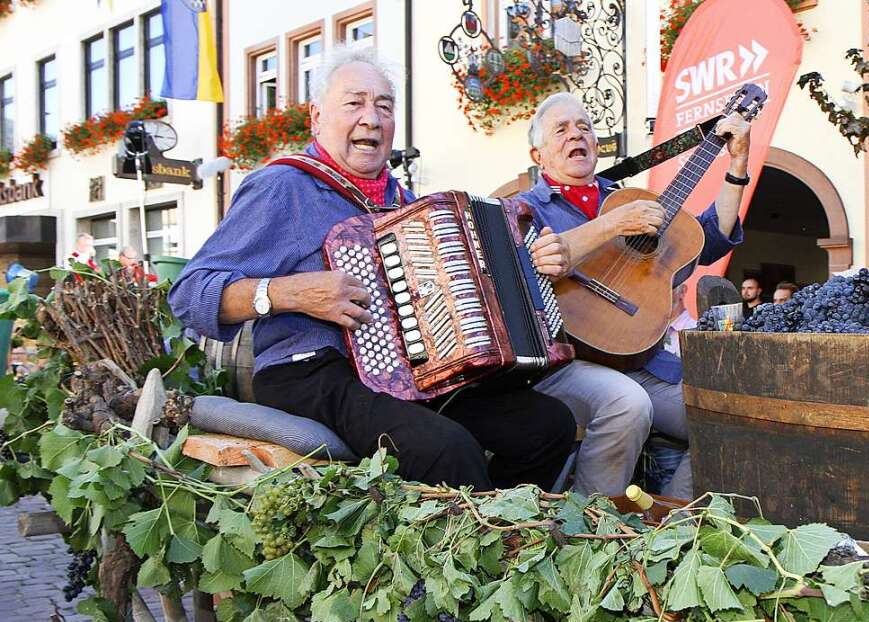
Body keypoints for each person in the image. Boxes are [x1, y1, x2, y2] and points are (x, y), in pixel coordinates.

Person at [169, 46, 575, 491]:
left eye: (384, 105)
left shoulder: (403, 205)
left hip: (405, 373)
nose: (372, 117)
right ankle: (455, 545)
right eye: (354, 102)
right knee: (445, 448)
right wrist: (290, 293)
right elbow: (189, 294)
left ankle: (496, 531)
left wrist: (528, 265)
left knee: (547, 426)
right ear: (317, 116)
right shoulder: (283, 186)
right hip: (310, 370)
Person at [516, 92, 749, 499]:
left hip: (642, 360)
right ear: (539, 154)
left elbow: (709, 237)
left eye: (585, 127)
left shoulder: (627, 197)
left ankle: (671, 518)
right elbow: (528, 266)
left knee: (730, 416)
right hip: (564, 361)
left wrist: (737, 165)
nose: (578, 135)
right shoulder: (522, 210)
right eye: (563, 129)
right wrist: (612, 224)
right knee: (627, 402)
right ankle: (590, 528)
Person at [663, 281, 697, 357]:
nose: (661, 292)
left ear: (682, 291)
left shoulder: (698, 333)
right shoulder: (642, 328)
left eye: (668, 286)